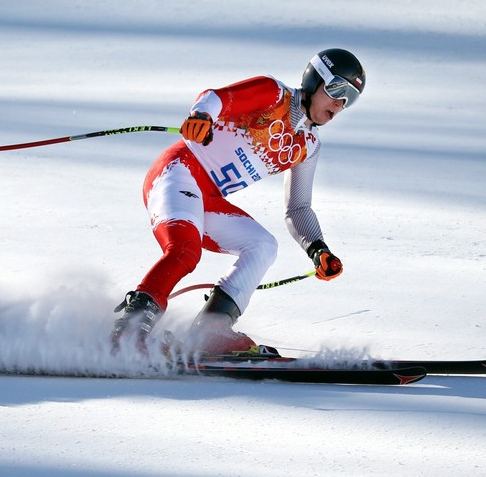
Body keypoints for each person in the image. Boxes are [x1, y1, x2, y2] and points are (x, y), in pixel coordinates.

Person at [110, 48, 366, 355]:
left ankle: (210, 331)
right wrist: (201, 116)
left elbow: (297, 208)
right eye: (337, 89)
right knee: (185, 250)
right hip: (179, 171)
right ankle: (129, 329)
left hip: (208, 198)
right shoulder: (274, 96)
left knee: (263, 246)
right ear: (315, 80)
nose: (340, 103)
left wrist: (318, 249)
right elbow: (216, 98)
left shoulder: (307, 145)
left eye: (350, 98)